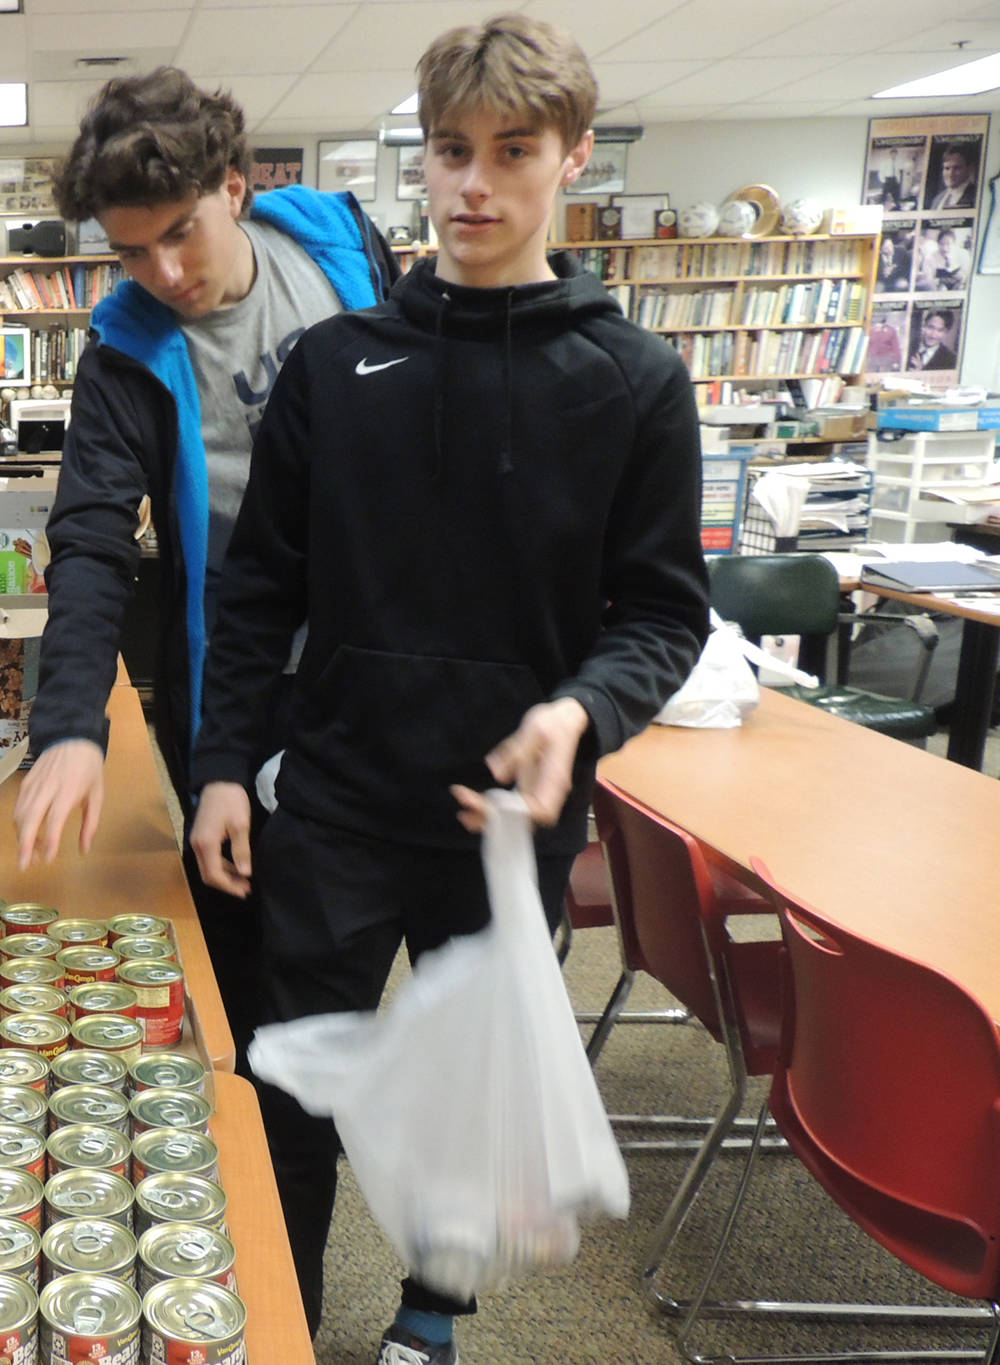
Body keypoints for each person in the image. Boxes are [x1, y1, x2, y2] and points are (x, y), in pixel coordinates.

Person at [186, 16, 708, 1361]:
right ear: (422, 158)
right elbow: (257, 595)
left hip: (510, 829)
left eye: (513, 153)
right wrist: (227, 767)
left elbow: (660, 610)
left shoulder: (636, 383)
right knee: (289, 1088)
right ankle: (288, 1320)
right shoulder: (336, 368)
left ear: (573, 158)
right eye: (451, 151)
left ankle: (429, 1317)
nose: (474, 184)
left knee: (471, 1102)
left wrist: (582, 709)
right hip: (340, 802)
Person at [11, 65, 396, 1052]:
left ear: (232, 187)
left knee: (332, 996)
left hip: (381, 670)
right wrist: (67, 725)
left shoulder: (342, 254)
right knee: (235, 977)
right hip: (238, 684)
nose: (166, 274)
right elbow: (91, 537)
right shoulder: (124, 353)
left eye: (179, 232)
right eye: (131, 253)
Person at [928, 142, 978, 210]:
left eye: (957, 168)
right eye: (947, 168)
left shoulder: (976, 196)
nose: (951, 174)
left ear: (970, 169)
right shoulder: (937, 200)